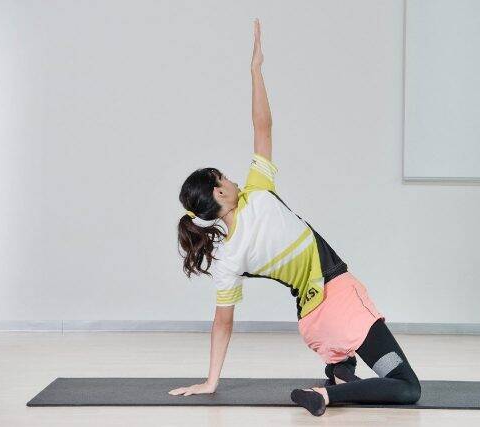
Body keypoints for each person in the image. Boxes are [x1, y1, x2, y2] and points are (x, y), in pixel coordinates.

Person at [170, 18, 421, 416]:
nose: (232, 178)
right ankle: (326, 394)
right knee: (407, 387)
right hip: (338, 298)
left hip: (314, 324)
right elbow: (264, 126)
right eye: (224, 178)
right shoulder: (258, 193)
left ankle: (340, 372)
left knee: (354, 369)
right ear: (220, 193)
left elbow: (222, 322)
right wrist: (256, 70)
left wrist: (211, 380)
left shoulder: (227, 258)